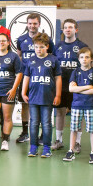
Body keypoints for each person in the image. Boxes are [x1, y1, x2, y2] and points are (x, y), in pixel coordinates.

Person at [16, 13, 54, 143]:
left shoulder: (47, 40)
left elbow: (51, 58)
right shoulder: (21, 39)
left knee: (43, 106)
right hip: (26, 76)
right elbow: (19, 56)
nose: (32, 26)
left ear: (39, 24)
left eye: (35, 23)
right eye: (30, 23)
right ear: (27, 24)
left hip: (42, 78)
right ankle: (25, 132)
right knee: (25, 104)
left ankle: (43, 134)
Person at [22, 33, 61, 158]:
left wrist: (58, 95)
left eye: (42, 47)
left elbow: (58, 79)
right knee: (33, 123)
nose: (39, 49)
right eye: (37, 47)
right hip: (33, 97)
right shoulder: (30, 60)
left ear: (47, 47)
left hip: (47, 97)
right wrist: (23, 92)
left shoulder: (53, 60)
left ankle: (46, 147)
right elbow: (26, 77)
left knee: (46, 123)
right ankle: (33, 147)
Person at [52, 19, 88, 152]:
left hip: (76, 86)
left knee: (77, 114)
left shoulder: (83, 46)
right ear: (62, 30)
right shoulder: (57, 46)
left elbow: (87, 66)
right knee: (60, 112)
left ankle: (77, 142)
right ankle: (59, 140)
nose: (68, 29)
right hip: (61, 85)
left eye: (71, 27)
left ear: (76, 30)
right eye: (65, 27)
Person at [63, 47, 93, 163]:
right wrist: (87, 86)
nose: (84, 59)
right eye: (82, 57)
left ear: (91, 59)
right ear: (79, 59)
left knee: (92, 130)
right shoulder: (75, 72)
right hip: (77, 105)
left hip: (90, 105)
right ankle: (71, 151)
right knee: (74, 129)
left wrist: (78, 89)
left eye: (87, 57)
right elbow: (70, 89)